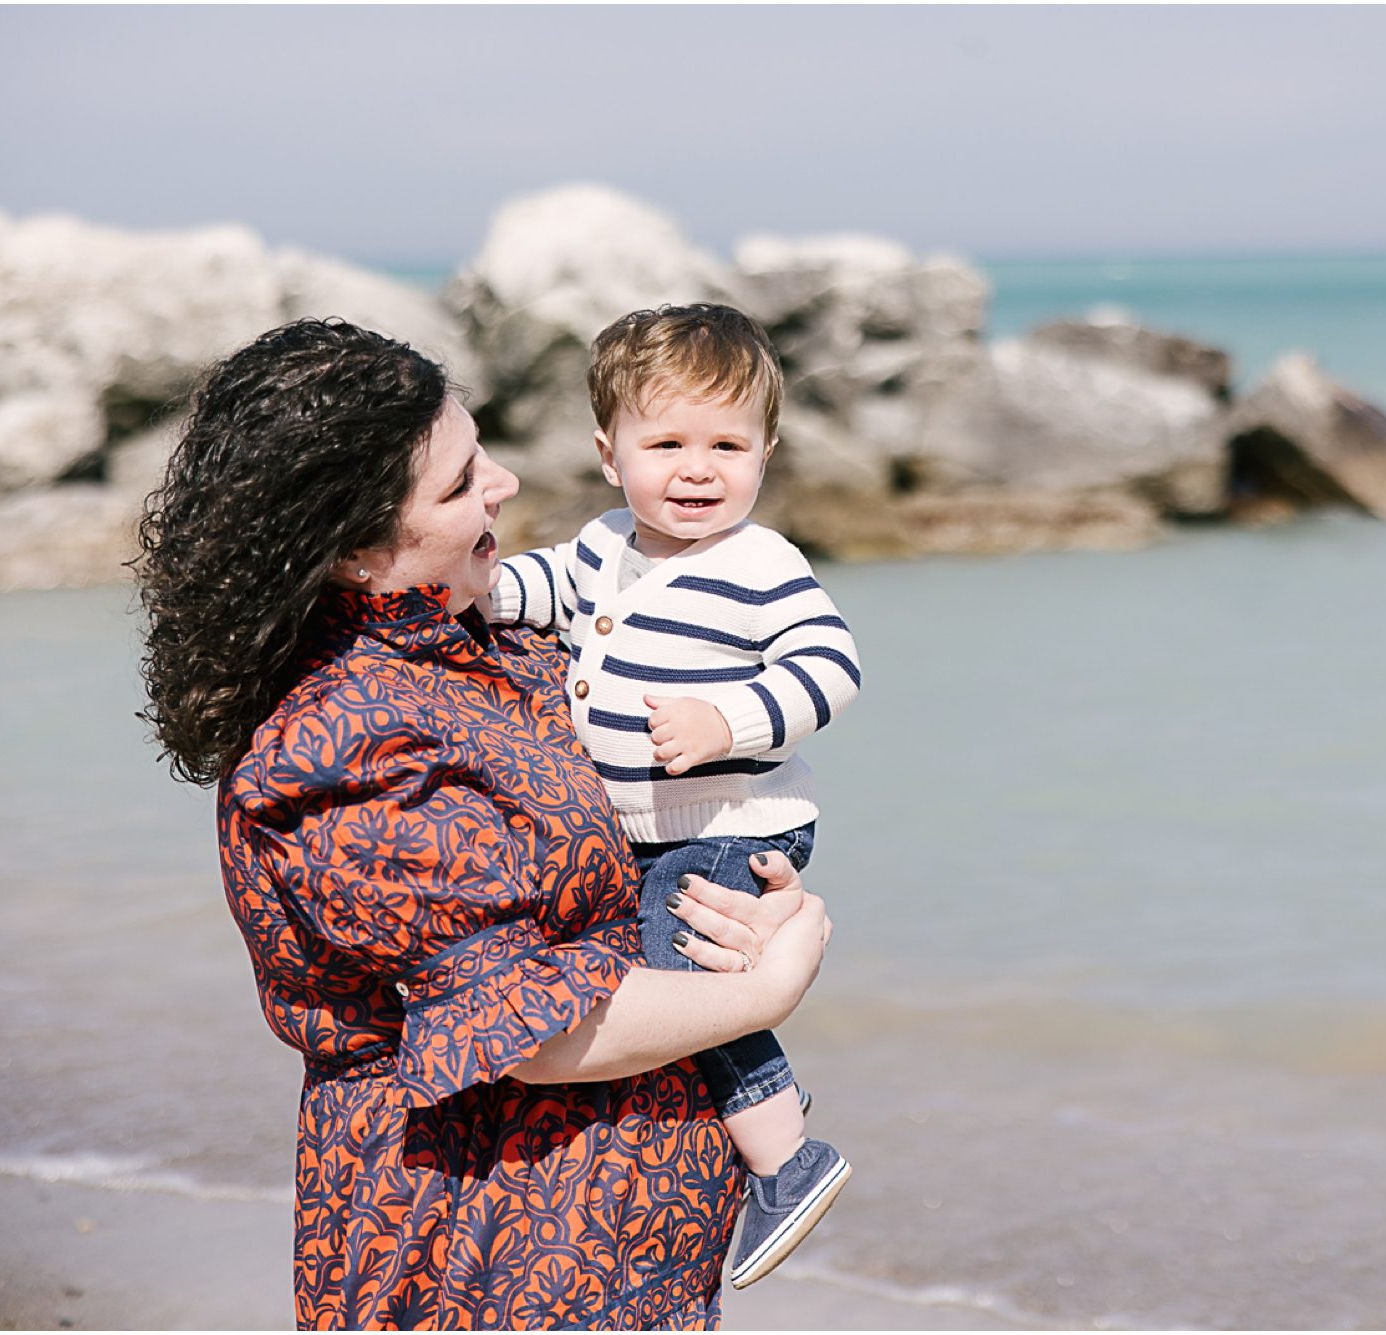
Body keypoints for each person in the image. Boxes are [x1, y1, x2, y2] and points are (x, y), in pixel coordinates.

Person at [132, 317, 831, 1330]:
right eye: (461, 483)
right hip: (492, 1256)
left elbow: (620, 878)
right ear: (356, 549)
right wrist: (770, 987)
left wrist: (752, 898)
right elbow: (529, 1032)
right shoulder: (339, 745)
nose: (504, 483)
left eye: (483, 452)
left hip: (620, 1246)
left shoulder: (479, 644)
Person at [487, 303, 859, 1289]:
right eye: (666, 445)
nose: (698, 470)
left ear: (766, 453)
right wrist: (470, 594)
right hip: (642, 834)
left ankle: (786, 1155)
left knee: (679, 967)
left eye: (727, 445)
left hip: (731, 822)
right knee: (663, 962)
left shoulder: (760, 564)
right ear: (608, 454)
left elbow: (830, 668)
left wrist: (726, 722)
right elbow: (537, 586)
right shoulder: (602, 543)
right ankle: (752, 1096)